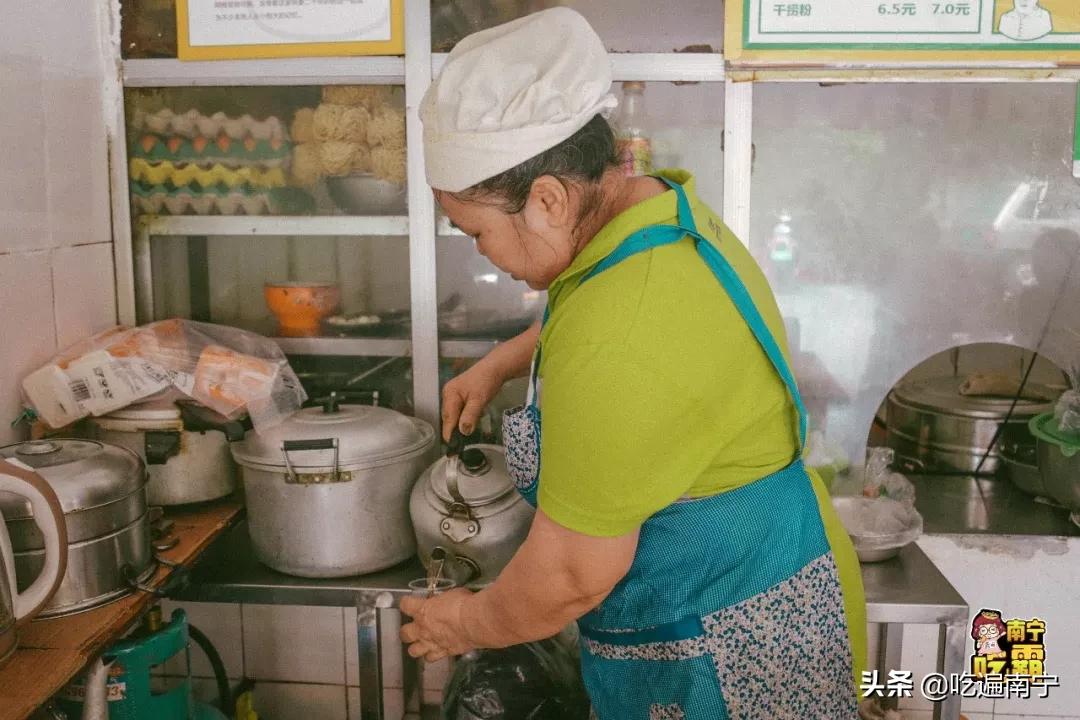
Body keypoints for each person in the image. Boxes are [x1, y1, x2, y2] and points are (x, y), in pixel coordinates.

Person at [400, 8, 866, 718]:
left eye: (477, 231)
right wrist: (505, 358)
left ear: (549, 199)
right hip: (779, 576)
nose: (481, 252)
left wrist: (463, 622)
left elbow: (569, 576)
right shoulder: (654, 211)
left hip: (731, 650)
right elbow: (600, 297)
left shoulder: (616, 344)